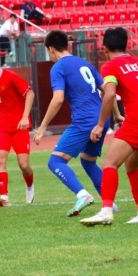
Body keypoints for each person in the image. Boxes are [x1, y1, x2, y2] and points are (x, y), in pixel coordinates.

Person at [80, 27, 138, 226]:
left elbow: (110, 94)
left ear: (104, 48)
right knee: (132, 165)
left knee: (109, 163)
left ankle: (105, 211)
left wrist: (100, 124)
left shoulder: (110, 66)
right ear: (126, 45)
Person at [33, 30, 115, 217]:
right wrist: (116, 115)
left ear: (51, 49)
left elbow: (58, 99)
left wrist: (43, 126)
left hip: (84, 121)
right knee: (88, 161)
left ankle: (82, 195)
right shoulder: (84, 63)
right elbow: (107, 90)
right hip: (101, 118)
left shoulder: (58, 67)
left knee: (55, 161)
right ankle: (110, 204)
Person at [0, 45, 35, 207]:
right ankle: (4, 197)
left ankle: (30, 186)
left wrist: (25, 117)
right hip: (1, 127)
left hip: (19, 126)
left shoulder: (10, 76)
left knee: (24, 165)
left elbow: (30, 93)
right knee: (0, 159)